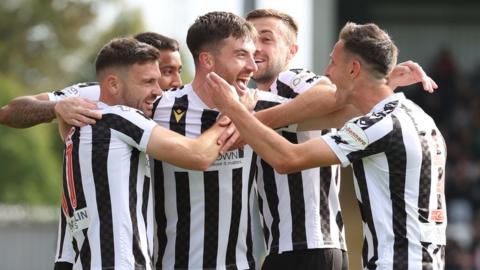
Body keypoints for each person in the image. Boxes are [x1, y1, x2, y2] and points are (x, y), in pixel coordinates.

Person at [205, 22, 447, 270]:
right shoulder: (418, 117)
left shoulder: (379, 125)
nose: (327, 73)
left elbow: (287, 159)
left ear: (353, 69)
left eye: (333, 63)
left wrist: (233, 108)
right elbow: (330, 115)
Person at [57, 37, 228, 270]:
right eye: (148, 82)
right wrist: (233, 114)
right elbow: (199, 155)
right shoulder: (120, 117)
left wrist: (58, 109)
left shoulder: (78, 126)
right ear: (113, 84)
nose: (158, 91)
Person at [0, 31, 183, 128]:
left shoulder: (182, 104)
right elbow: (8, 113)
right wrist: (56, 108)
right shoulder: (92, 96)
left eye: (179, 71)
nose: (178, 82)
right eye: (167, 71)